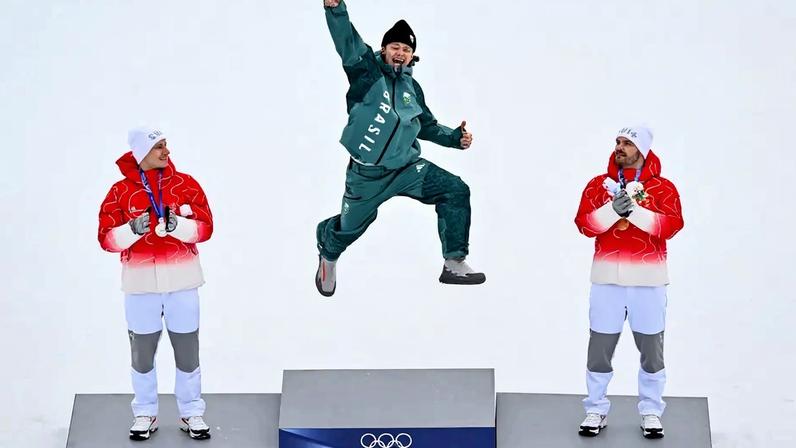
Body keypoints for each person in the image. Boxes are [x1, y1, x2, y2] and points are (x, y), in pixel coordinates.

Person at [315, 0, 486, 297]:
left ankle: (454, 262)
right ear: (384, 50)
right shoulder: (366, 71)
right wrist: (335, 8)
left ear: (411, 56)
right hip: (367, 176)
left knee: (455, 189)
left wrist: (455, 138)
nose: (400, 53)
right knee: (350, 228)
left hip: (408, 169)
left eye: (406, 50)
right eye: (395, 46)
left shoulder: (412, 90)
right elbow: (347, 40)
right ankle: (328, 255)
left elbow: (428, 127)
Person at [98, 127, 213, 441]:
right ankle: (145, 412)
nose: (166, 152)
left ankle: (192, 412)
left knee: (188, 351)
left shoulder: (186, 185)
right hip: (140, 286)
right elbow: (106, 239)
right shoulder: (120, 193)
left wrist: (179, 225)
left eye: (166, 145)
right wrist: (132, 230)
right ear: (141, 154)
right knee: (142, 354)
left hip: (183, 281)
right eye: (159, 147)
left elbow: (205, 228)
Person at [573, 126, 683, 439]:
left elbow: (670, 226)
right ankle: (595, 408)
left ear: (642, 150)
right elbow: (584, 224)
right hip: (607, 279)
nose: (620, 147)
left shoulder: (663, 189)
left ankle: (651, 410)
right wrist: (611, 210)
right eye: (618, 142)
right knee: (599, 349)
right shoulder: (599, 186)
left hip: (649, 281)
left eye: (627, 143)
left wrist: (633, 210)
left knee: (651, 350)